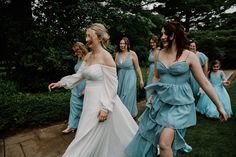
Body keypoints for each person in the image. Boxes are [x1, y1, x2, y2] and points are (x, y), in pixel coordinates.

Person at [125, 21, 228, 157]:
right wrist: (152, 94)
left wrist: (219, 106)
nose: (161, 36)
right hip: (161, 101)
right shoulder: (159, 54)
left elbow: (204, 82)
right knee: (153, 138)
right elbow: (156, 76)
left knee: (164, 143)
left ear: (172, 35)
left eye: (163, 33)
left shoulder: (189, 56)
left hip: (181, 103)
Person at [48, 23, 138, 157]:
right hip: (89, 101)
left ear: (100, 38)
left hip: (101, 101)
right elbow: (79, 76)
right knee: (88, 132)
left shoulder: (106, 56)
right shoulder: (88, 56)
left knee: (87, 135)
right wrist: (61, 83)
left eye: (89, 36)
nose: (86, 39)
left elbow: (112, 85)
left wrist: (105, 107)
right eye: (86, 35)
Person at [62, 42, 88, 134]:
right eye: (75, 52)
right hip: (77, 85)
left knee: (85, 107)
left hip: (85, 86)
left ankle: (82, 126)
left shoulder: (88, 58)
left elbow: (90, 75)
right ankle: (71, 126)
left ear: (81, 49)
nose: (76, 54)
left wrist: (86, 89)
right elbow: (77, 75)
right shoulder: (79, 59)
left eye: (77, 51)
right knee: (73, 105)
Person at [115, 37, 144, 118]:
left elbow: (137, 68)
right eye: (120, 43)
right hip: (120, 78)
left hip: (130, 77)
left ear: (127, 45)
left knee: (127, 96)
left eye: (124, 43)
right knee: (120, 97)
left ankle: (128, 116)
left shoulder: (132, 54)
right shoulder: (117, 54)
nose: (122, 45)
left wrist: (141, 79)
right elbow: (115, 68)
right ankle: (121, 117)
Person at [146, 35, 159, 100]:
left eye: (153, 42)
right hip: (150, 72)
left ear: (156, 42)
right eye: (150, 42)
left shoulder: (160, 51)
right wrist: (148, 68)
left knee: (155, 89)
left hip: (157, 71)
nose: (152, 44)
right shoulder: (150, 51)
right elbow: (150, 62)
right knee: (149, 89)